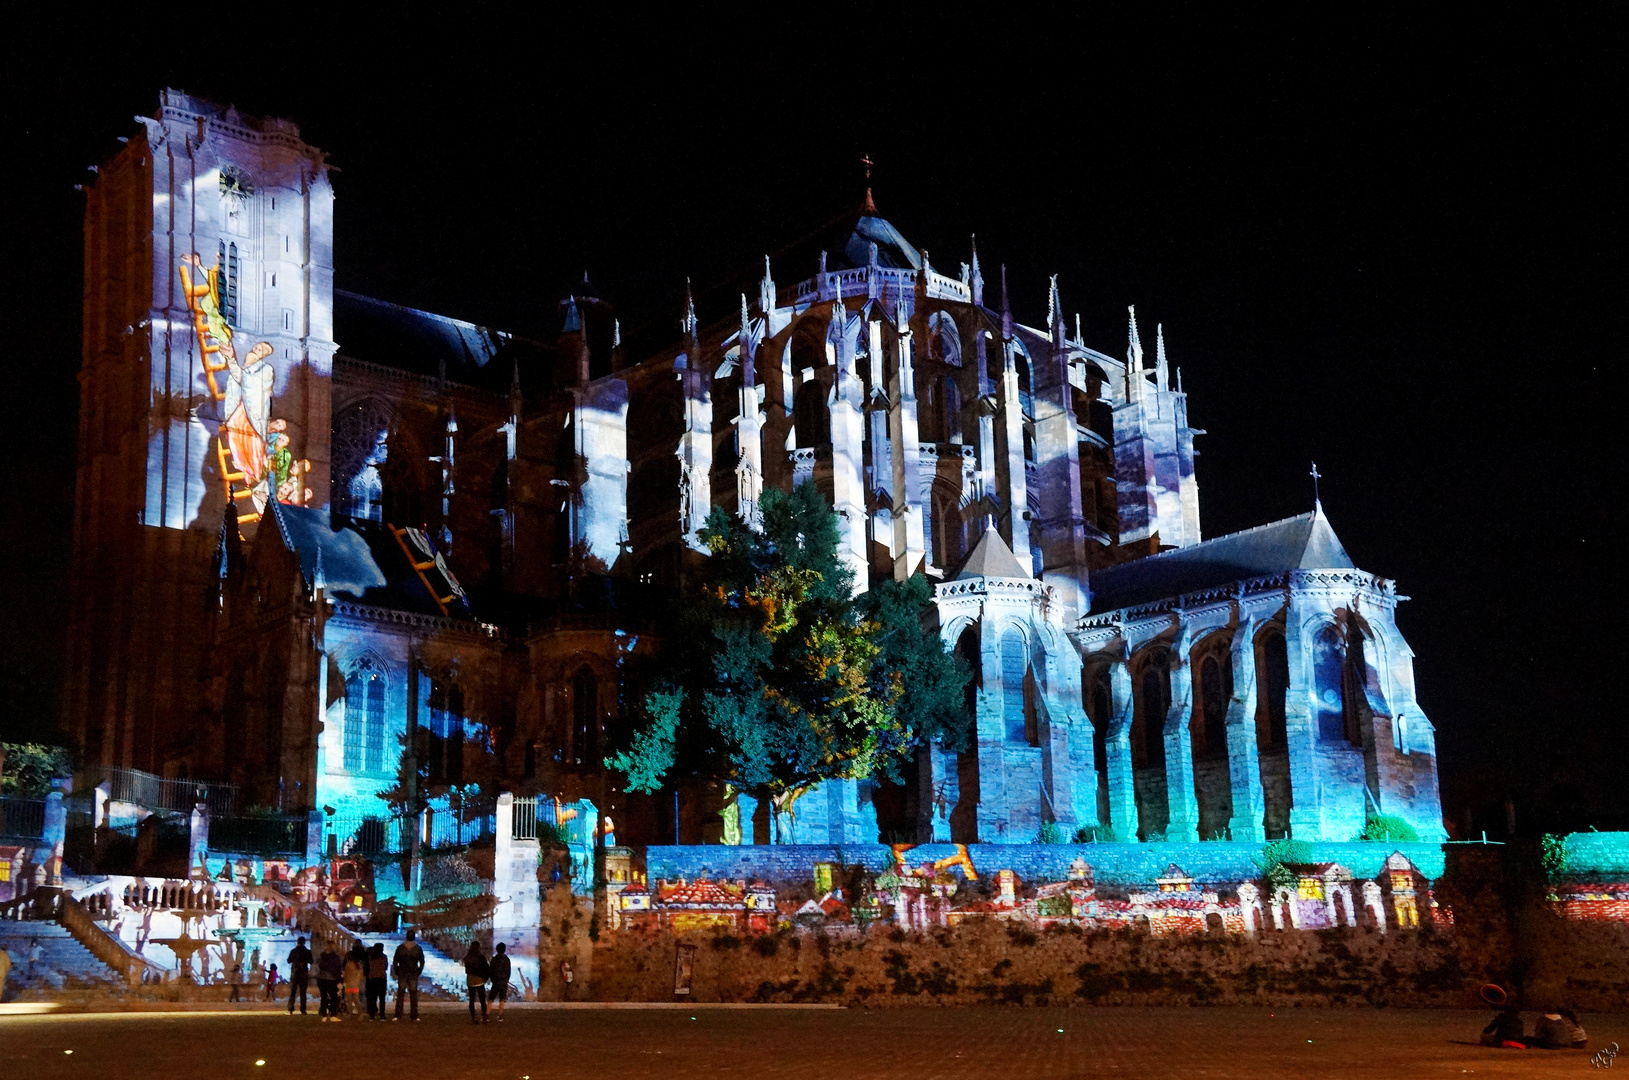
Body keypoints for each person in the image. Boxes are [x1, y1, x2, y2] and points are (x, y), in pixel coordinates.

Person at [392, 929, 425, 1022]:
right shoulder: (417, 948)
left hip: (404, 972)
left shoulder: (401, 948)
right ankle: (413, 1015)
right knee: (412, 994)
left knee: (401, 994)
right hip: (412, 972)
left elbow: (395, 961)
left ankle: (399, 1014)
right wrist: (418, 970)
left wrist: (397, 971)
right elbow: (421, 961)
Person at [315, 944, 344, 1022]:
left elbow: (319, 966)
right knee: (334, 997)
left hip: (322, 978)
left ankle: (324, 1015)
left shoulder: (322, 956)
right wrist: (339, 979)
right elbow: (338, 968)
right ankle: (333, 1014)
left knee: (324, 997)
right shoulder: (335, 957)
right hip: (332, 979)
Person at [464, 940, 490, 1024]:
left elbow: (466, 970)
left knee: (472, 1000)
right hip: (480, 980)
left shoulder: (467, 957)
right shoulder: (481, 957)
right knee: (482, 999)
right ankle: (484, 1017)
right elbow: (486, 968)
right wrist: (486, 977)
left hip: (470, 980)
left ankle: (473, 1017)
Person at [286, 937, 312, 1015]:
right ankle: (303, 1009)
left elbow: (288, 961)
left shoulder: (294, 951)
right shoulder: (307, 952)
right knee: (303, 992)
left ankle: (291, 1008)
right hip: (303, 974)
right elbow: (311, 961)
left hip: (295, 973)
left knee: (293, 992)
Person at [488, 942, 512, 1022]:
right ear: (504, 950)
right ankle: (500, 1015)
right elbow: (508, 971)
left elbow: (491, 970)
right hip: (503, 981)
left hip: (496, 981)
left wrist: (492, 979)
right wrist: (506, 980)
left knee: (491, 998)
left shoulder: (494, 959)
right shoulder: (506, 959)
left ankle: (487, 1014)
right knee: (502, 999)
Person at [365, 943, 389, 1020]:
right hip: (381, 979)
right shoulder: (384, 957)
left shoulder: (371, 958)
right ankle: (382, 1015)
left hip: (372, 979)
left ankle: (372, 1015)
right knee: (382, 999)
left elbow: (368, 968)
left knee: (373, 998)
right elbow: (385, 967)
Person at [343, 942, 366, 1016]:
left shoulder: (348, 965)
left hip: (349, 984)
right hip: (356, 984)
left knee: (349, 1000)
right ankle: (360, 1013)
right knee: (356, 1000)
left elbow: (346, 974)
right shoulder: (359, 966)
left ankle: (350, 1013)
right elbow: (361, 976)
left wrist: (345, 981)